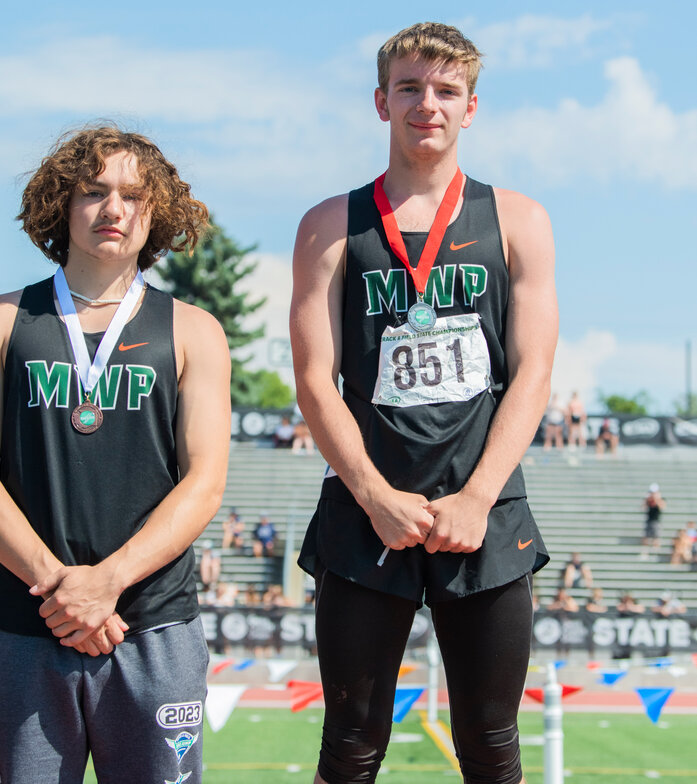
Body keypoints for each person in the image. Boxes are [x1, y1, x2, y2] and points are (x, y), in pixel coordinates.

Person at [290, 22, 556, 784]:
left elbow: (532, 371)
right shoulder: (329, 225)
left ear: (470, 108)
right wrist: (372, 494)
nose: (426, 104)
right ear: (381, 101)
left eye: (445, 91)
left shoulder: (518, 220)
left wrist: (476, 496)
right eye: (409, 87)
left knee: (490, 741)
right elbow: (314, 379)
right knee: (349, 742)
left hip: (484, 509)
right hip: (365, 509)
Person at [0, 124, 230, 784]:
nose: (114, 209)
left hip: (151, 626)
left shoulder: (193, 331)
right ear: (59, 205)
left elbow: (204, 482)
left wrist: (105, 585)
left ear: (156, 210)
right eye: (94, 192)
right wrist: (59, 587)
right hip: (24, 622)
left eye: (134, 195)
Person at [641, 483, 666, 558]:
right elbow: (643, 508)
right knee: (646, 536)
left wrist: (656, 498)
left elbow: (662, 507)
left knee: (656, 536)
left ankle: (656, 551)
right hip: (649, 520)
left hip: (656, 520)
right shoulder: (648, 500)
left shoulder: (661, 499)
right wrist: (647, 499)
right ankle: (645, 552)